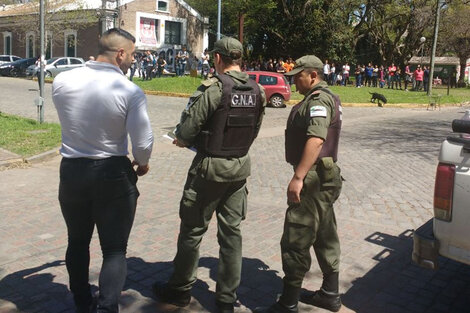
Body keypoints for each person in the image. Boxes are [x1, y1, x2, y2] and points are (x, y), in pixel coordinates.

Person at [153, 37, 266, 313]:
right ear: (239, 59)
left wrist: (180, 139)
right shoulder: (258, 90)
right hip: (239, 169)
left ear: (217, 58)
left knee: (192, 231)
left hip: (209, 169)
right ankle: (227, 299)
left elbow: (188, 130)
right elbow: (255, 129)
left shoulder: (214, 89)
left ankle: (179, 290)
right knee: (232, 235)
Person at [51, 28, 154, 313]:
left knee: (77, 240)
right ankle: (107, 308)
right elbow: (143, 142)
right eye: (132, 55)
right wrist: (142, 162)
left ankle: (82, 300)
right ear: (120, 53)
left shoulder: (62, 80)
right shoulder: (129, 90)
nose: (133, 60)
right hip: (111, 172)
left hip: (72, 170)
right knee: (114, 249)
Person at [259, 55, 343, 313]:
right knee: (325, 233)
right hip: (323, 177)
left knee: (297, 234)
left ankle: (288, 303)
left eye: (299, 75)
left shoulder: (319, 100)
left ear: (313, 76)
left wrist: (299, 177)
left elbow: (316, 140)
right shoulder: (326, 97)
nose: (294, 80)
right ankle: (329, 294)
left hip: (314, 178)